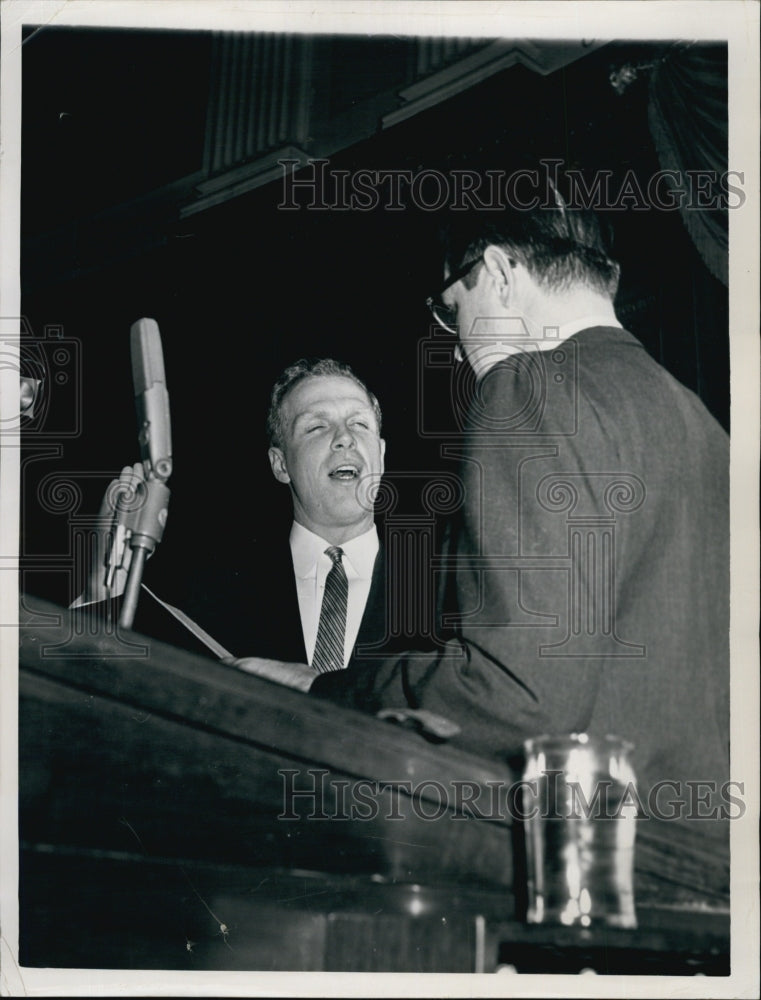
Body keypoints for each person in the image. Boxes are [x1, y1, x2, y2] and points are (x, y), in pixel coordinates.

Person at [239, 195, 730, 815]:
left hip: (592, 862)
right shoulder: (704, 422)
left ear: (497, 274)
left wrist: (323, 685)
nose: (455, 345)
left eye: (455, 311)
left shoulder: (523, 391)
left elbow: (515, 695)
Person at [72, 358, 413, 673]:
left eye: (359, 423)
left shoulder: (445, 591)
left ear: (381, 455)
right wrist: (105, 588)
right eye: (317, 427)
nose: (344, 438)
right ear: (280, 465)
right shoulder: (206, 596)